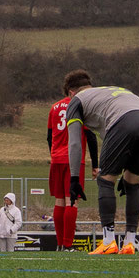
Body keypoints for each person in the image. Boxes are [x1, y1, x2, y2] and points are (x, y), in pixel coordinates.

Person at [62, 72, 139, 255]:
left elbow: (74, 143)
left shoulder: (76, 101)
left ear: (71, 93)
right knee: (132, 183)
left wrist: (74, 178)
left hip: (124, 121)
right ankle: (130, 243)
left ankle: (108, 241)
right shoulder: (107, 92)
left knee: (105, 180)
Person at [46, 88, 92, 252]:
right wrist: (95, 163)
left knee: (59, 201)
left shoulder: (54, 107)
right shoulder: (80, 107)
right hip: (74, 160)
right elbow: (90, 135)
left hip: (56, 159)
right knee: (71, 201)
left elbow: (49, 136)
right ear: (73, 91)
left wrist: (54, 153)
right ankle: (67, 244)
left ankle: (59, 244)